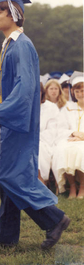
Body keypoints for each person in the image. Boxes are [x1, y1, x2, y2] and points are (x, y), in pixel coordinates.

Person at [0, 0, 70, 250]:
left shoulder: (23, 47)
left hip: (20, 123)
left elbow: (25, 91)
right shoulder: (9, 46)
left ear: (14, 14)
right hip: (13, 123)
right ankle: (5, 238)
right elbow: (4, 89)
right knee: (8, 178)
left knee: (11, 177)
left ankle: (55, 219)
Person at [52, 71, 84, 199]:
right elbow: (60, 128)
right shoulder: (67, 107)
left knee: (80, 151)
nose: (80, 94)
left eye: (83, 91)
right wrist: (73, 133)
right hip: (69, 139)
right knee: (63, 150)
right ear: (73, 93)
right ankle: (72, 186)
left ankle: (82, 186)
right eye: (77, 92)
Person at [38, 82, 59, 186]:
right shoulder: (24, 107)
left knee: (39, 148)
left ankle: (41, 181)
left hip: (45, 141)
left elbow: (52, 130)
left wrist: (36, 137)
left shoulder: (51, 107)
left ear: (42, 93)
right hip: (25, 139)